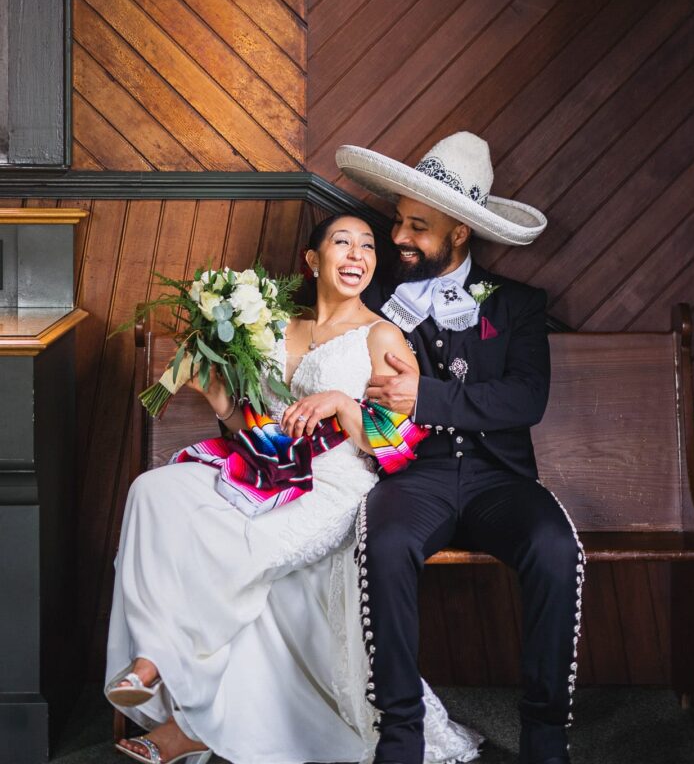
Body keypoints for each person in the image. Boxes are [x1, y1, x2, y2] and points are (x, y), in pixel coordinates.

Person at [104, 213, 481, 764]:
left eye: (367, 246)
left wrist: (344, 404)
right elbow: (262, 426)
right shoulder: (276, 328)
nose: (357, 255)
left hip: (337, 484)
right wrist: (220, 400)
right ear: (312, 260)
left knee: (238, 546)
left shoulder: (381, 335)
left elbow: (400, 445)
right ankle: (158, 660)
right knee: (151, 492)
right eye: (342, 242)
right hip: (268, 469)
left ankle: (174, 691)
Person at [336, 133, 585, 764]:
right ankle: (400, 738)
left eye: (417, 227)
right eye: (399, 220)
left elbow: (524, 399)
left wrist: (424, 395)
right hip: (411, 477)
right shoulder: (375, 302)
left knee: (556, 547)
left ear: (459, 233)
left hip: (499, 480)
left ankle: (545, 738)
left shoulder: (518, 306)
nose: (398, 237)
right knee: (383, 543)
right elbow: (363, 391)